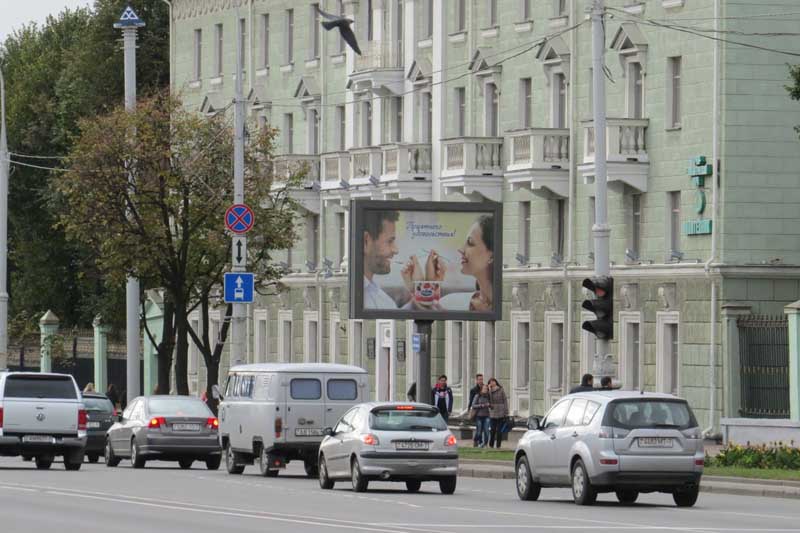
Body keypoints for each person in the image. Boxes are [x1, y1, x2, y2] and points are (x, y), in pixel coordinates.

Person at [405, 214, 495, 312]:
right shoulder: (449, 302)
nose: (461, 249)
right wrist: (430, 282)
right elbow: (425, 314)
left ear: (492, 256)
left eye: (470, 242)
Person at [363, 210, 401, 309]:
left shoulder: (386, 302)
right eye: (390, 241)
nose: (396, 250)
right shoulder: (384, 302)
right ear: (366, 241)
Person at [488, 378, 509, 448]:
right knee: (492, 430)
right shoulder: (489, 391)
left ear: (496, 382)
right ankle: (491, 445)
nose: (492, 383)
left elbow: (505, 400)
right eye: (490, 382)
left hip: (501, 412)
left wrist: (506, 411)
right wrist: (489, 390)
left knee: (499, 431)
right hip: (493, 412)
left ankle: (498, 445)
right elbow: (490, 401)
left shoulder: (501, 389)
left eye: (493, 381)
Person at [468, 374, 485, 447]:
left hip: (484, 412)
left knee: (481, 428)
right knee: (479, 428)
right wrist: (469, 409)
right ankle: (478, 441)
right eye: (479, 379)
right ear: (476, 380)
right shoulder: (473, 390)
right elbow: (471, 401)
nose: (481, 381)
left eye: (482, 379)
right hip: (476, 412)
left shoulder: (485, 388)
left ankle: (476, 440)